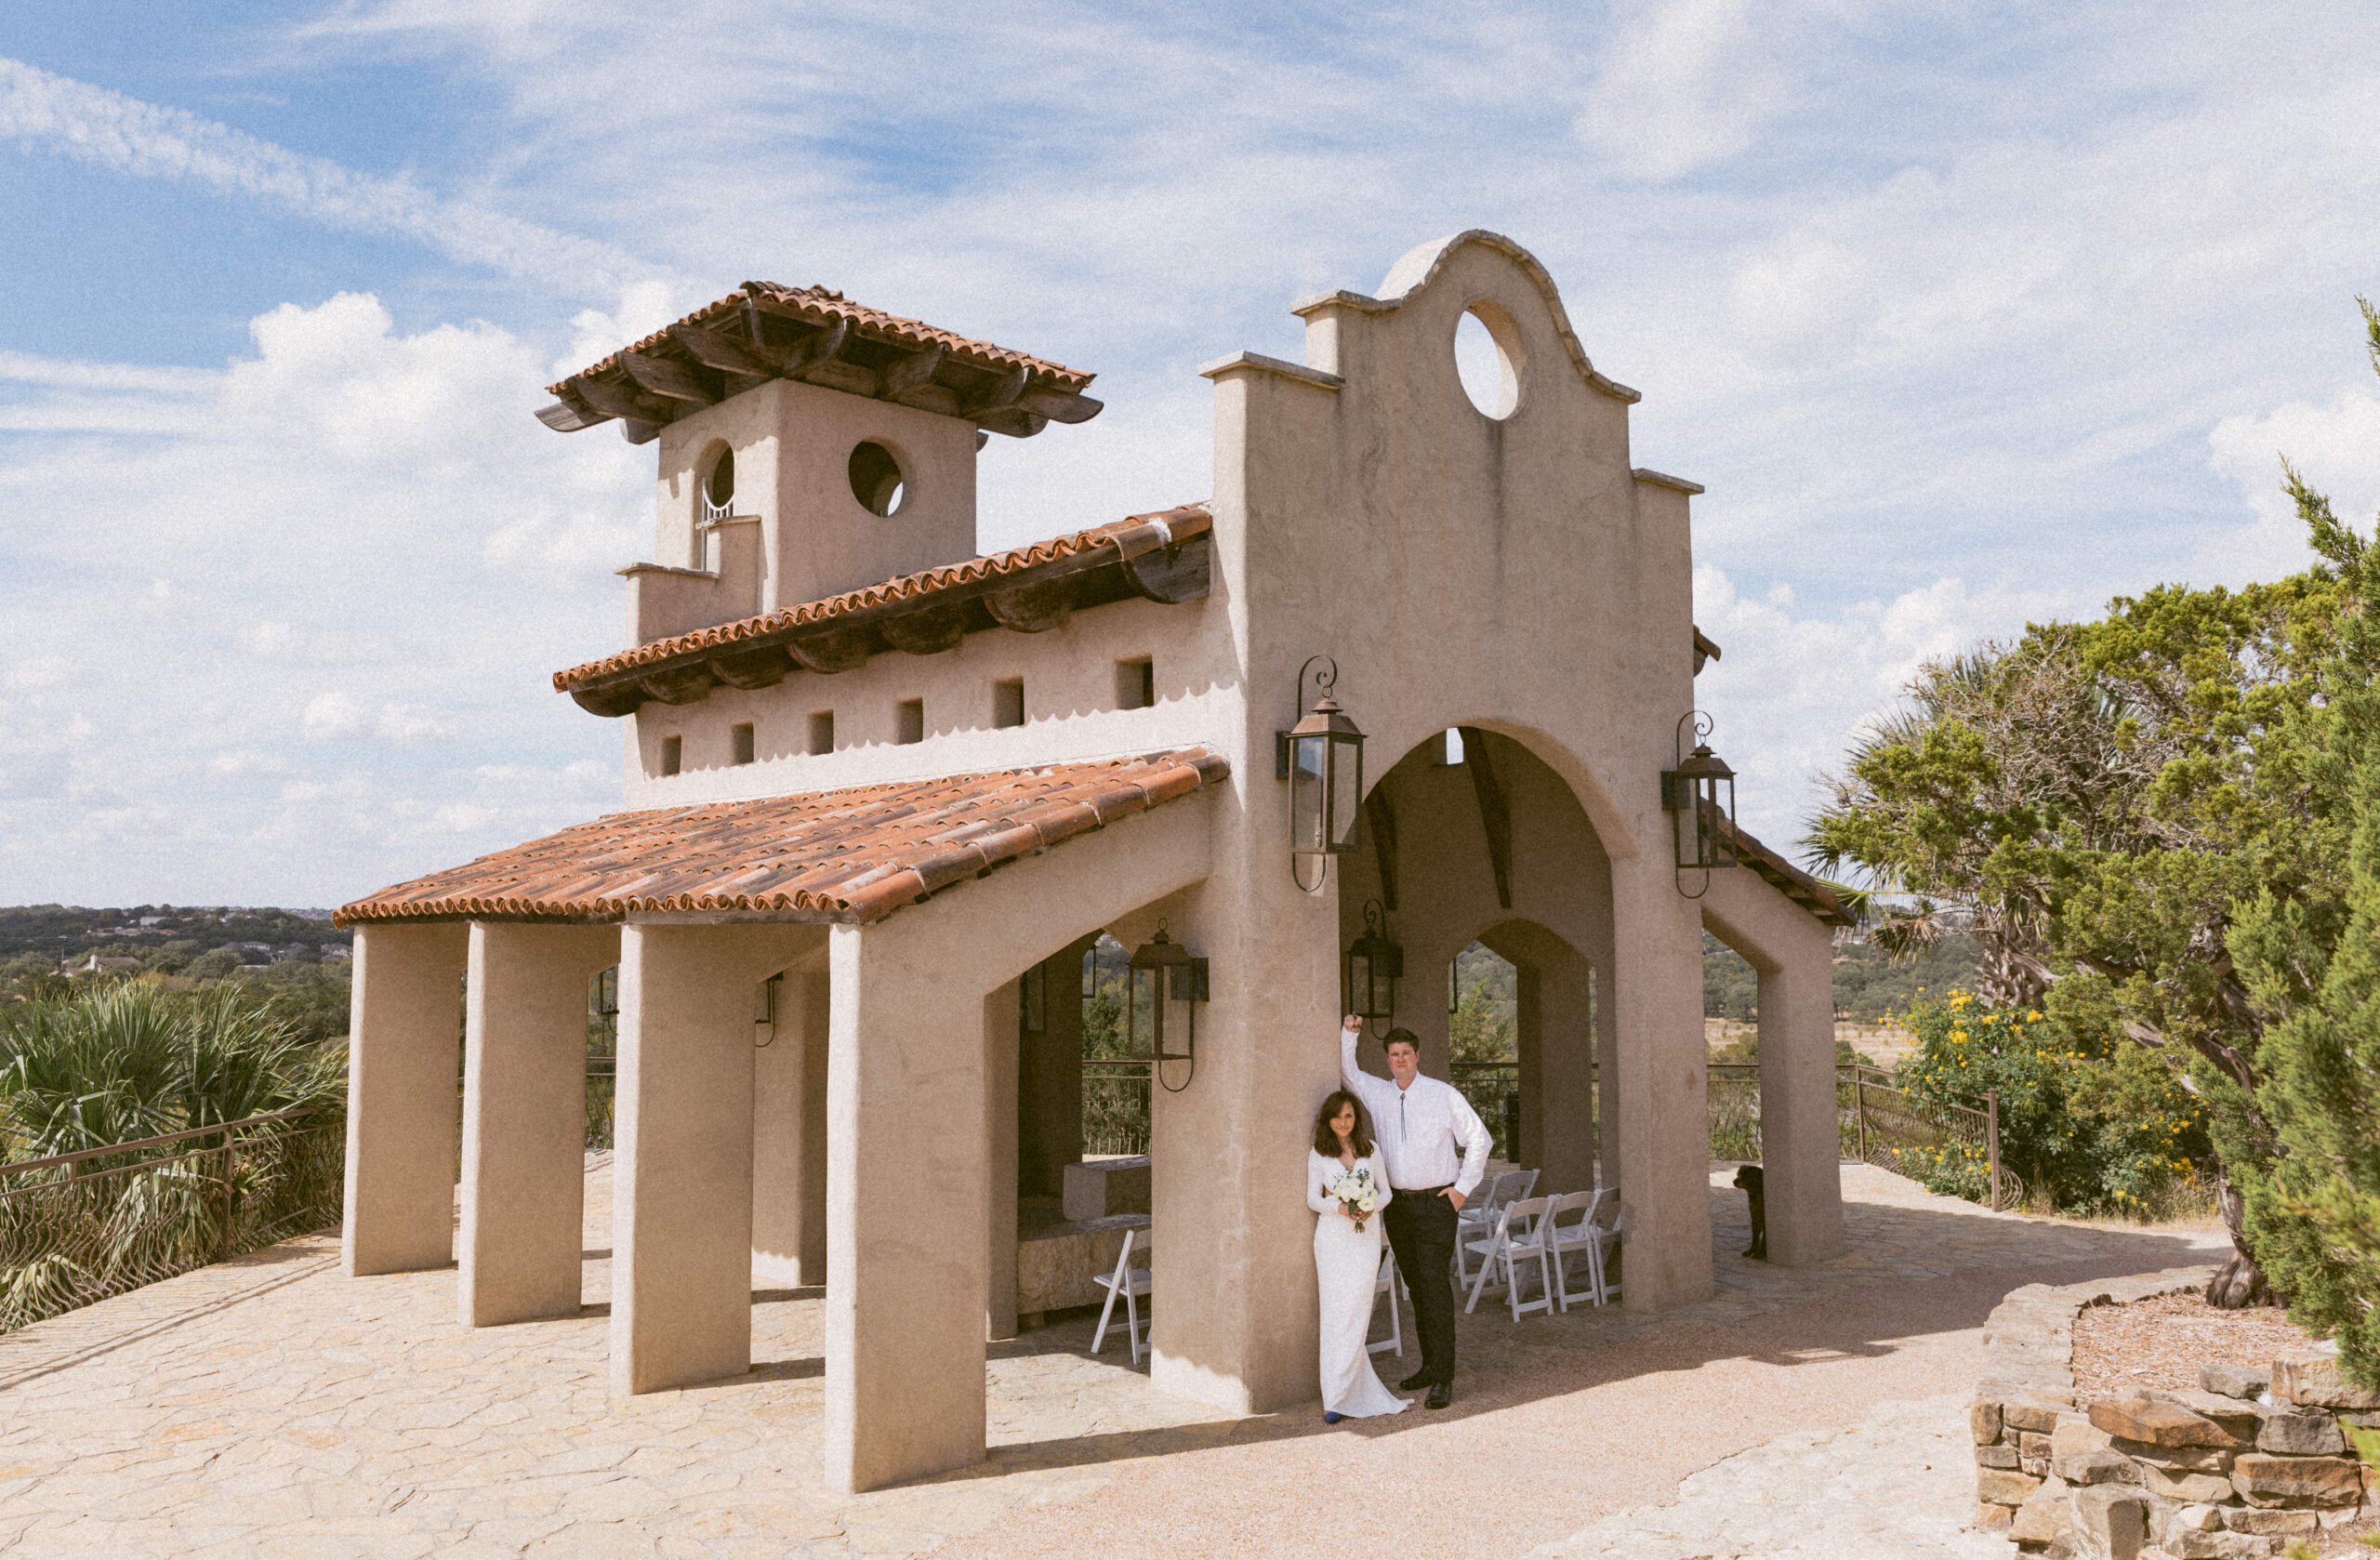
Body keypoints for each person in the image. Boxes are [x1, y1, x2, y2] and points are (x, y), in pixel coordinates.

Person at [1337, 1014, 1491, 1409]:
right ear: (1387, 1059)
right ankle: (1429, 1366)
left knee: (1435, 1288)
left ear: (1418, 1056)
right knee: (1418, 1289)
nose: (1400, 1059)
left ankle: (1443, 1377)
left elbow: (1480, 1140)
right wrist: (1349, 1035)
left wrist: (1461, 1191)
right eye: (1394, 1054)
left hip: (1436, 1205)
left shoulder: (1443, 1094)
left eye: (1406, 1053)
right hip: (1399, 1207)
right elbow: (1349, 1072)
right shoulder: (1380, 1093)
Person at [1305, 1090, 1411, 1422]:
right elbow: (1312, 1199)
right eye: (1337, 1117)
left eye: (1349, 1116)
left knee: (1357, 1313)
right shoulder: (1319, 1154)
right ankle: (1334, 1398)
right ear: (1328, 1120)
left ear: (1356, 1119)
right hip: (1332, 1241)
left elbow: (1387, 1193)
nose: (1343, 1122)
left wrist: (1369, 1206)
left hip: (1365, 1241)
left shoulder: (1371, 1150)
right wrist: (1339, 1205)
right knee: (1335, 1313)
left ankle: (1351, 1388)